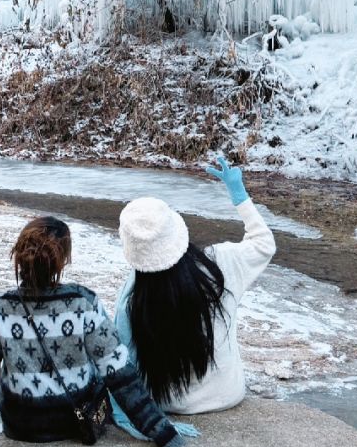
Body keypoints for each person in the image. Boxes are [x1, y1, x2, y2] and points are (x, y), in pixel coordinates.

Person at [0, 214, 184, 447]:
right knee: (103, 367)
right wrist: (160, 430)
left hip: (20, 426)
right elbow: (119, 374)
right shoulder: (83, 302)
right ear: (63, 260)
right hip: (75, 423)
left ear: (20, 255)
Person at [113, 155, 276, 415]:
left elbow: (122, 358)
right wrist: (240, 196)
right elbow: (264, 245)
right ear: (178, 229)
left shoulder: (133, 293)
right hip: (226, 394)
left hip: (166, 400)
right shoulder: (220, 262)